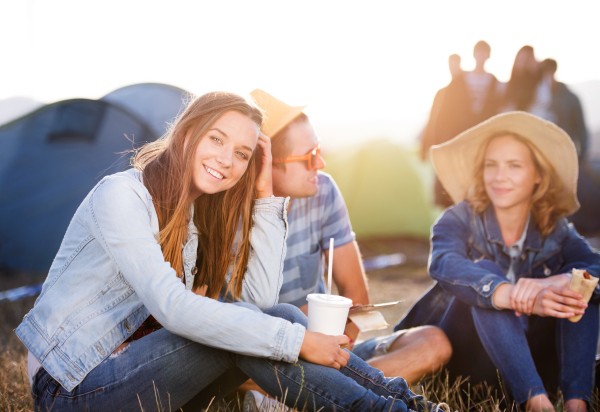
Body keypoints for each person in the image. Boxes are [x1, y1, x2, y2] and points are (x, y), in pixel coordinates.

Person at [16, 91, 438, 412]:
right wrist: (297, 342)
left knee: (279, 317)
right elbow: (176, 310)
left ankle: (410, 407)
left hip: (139, 375)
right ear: (187, 132)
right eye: (216, 139)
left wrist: (265, 195)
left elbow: (259, 302)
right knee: (253, 332)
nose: (227, 159)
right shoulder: (122, 196)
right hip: (69, 388)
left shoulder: (195, 220)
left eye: (242, 153)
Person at [396, 111, 599, 412]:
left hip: (534, 361)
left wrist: (559, 281)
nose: (499, 176)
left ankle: (575, 402)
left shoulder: (556, 229)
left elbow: (594, 266)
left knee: (582, 284)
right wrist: (510, 293)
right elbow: (443, 261)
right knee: (487, 275)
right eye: (491, 165)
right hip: (468, 362)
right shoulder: (459, 218)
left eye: (514, 166)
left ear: (538, 175)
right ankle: (536, 404)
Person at [248, 89, 452, 386]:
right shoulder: (228, 214)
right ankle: (332, 392)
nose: (321, 164)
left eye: (319, 151)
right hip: (260, 357)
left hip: (326, 353)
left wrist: (338, 349)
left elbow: (358, 300)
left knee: (434, 342)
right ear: (266, 161)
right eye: (309, 157)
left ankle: (322, 391)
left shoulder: (323, 191)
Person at [430, 41, 501, 207]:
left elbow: (498, 108)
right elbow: (446, 111)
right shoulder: (461, 80)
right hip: (460, 136)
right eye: (479, 53)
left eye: (485, 53)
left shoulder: (494, 81)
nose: (481, 57)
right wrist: (440, 139)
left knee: (479, 177)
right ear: (474, 55)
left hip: (484, 137)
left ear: (488, 56)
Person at [530, 58, 588, 159]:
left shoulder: (570, 98)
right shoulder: (535, 95)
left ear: (552, 72)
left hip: (562, 154)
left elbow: (581, 130)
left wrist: (580, 158)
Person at [421, 54, 463, 161]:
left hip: (459, 146)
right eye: (451, 64)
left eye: (455, 64)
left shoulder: (466, 93)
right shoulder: (441, 93)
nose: (453, 67)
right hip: (442, 145)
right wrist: (424, 146)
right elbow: (432, 119)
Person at [501, 46, 541, 112]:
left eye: (527, 60)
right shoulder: (507, 85)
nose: (524, 63)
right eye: (522, 59)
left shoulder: (539, 84)